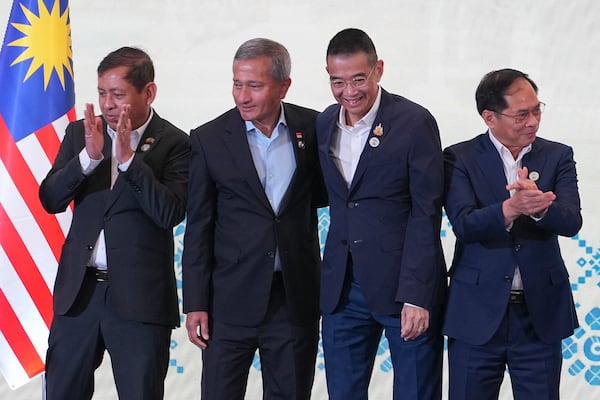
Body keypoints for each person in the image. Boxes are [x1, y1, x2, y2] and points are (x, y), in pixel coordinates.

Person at [39, 47, 189, 400]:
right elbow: (50, 200)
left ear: (148, 92)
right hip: (80, 295)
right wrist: (88, 159)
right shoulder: (82, 134)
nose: (107, 104)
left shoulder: (176, 143)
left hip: (140, 300)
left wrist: (129, 162)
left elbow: (170, 213)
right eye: (102, 93)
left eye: (118, 94)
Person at [182, 38, 325, 400]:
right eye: (237, 83)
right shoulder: (208, 139)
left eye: (255, 86)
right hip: (228, 303)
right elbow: (198, 226)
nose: (242, 96)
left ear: (284, 86)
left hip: (294, 299)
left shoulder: (314, 128)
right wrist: (195, 301)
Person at [317, 28, 447, 400]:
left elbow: (426, 212)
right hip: (342, 289)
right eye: (337, 81)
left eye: (359, 79)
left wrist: (417, 295)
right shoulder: (325, 123)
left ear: (379, 70)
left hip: (403, 288)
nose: (349, 91)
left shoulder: (413, 122)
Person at [443, 68, 582, 400]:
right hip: (476, 313)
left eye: (537, 110)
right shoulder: (459, 157)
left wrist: (539, 207)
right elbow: (464, 224)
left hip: (539, 316)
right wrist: (511, 207)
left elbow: (571, 221)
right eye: (522, 115)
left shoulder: (558, 155)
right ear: (489, 117)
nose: (533, 121)